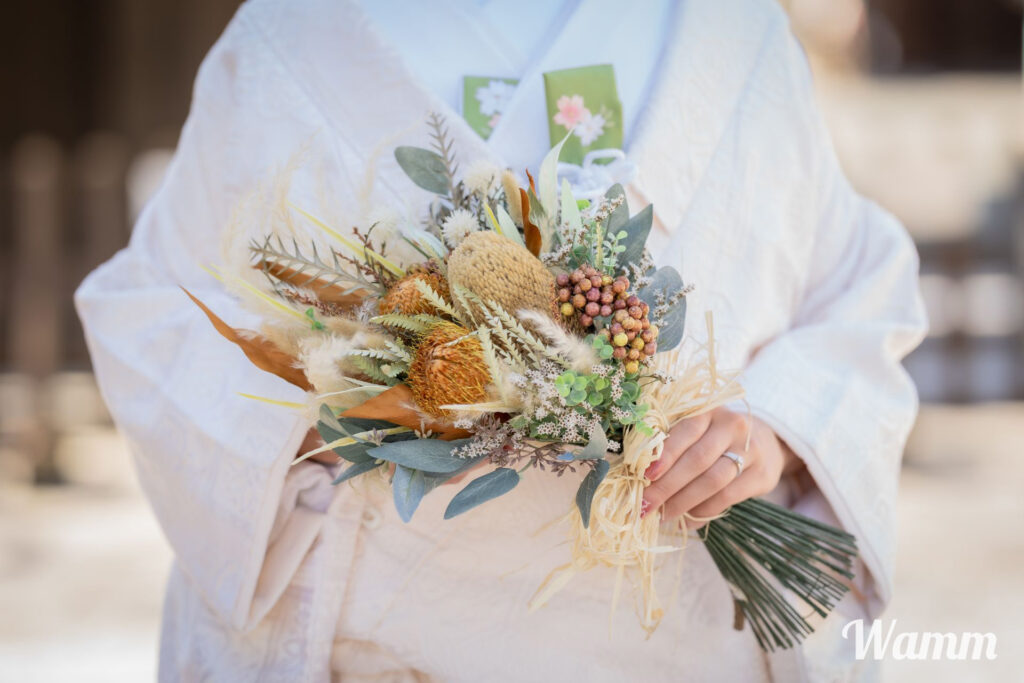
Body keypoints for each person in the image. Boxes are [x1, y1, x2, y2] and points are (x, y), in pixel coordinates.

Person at [76, 0, 927, 680]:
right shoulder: (292, 38)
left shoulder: (732, 35)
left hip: (684, 637)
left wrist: (770, 435)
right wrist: (345, 411)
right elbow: (153, 310)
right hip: (380, 646)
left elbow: (856, 291)